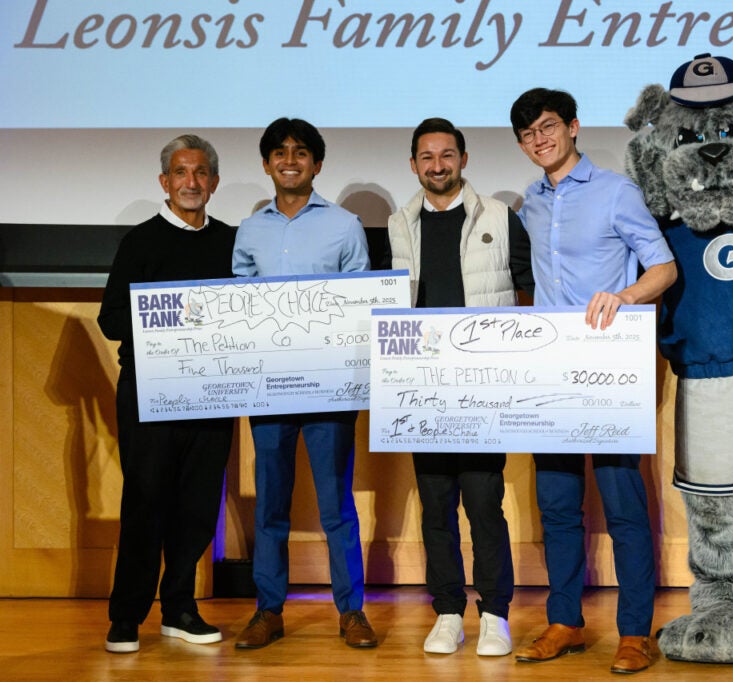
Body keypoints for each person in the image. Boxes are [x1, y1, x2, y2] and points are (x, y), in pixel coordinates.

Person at [509, 89, 677, 674]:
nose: (540, 140)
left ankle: (635, 633)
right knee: (557, 505)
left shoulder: (615, 192)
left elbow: (664, 266)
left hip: (609, 369)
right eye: (528, 134)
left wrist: (625, 297)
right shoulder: (529, 202)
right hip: (550, 371)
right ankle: (566, 623)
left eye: (549, 127)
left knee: (623, 504)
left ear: (574, 127)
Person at [387, 117, 533, 656]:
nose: (437, 165)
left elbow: (529, 288)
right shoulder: (398, 222)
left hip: (482, 386)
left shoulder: (498, 215)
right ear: (413, 165)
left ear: (463, 159)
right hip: (421, 388)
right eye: (427, 157)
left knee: (483, 503)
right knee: (435, 507)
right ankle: (447, 610)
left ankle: (495, 613)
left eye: (447, 155)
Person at [231, 118, 376, 649]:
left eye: (301, 152)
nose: (290, 160)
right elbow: (239, 308)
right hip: (268, 388)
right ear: (267, 164)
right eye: (279, 152)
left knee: (335, 503)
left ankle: (352, 612)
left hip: (328, 387)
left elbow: (362, 305)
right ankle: (268, 610)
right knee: (270, 503)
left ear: (317, 164)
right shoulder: (250, 230)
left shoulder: (344, 225)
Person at [98, 134, 236, 653]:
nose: (191, 183)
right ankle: (126, 615)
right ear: (165, 182)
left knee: (199, 506)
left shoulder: (230, 242)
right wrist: (174, 326)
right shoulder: (139, 242)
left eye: (201, 173)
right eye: (181, 173)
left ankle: (179, 607)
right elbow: (111, 319)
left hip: (213, 395)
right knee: (146, 503)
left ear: (214, 182)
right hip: (149, 396)